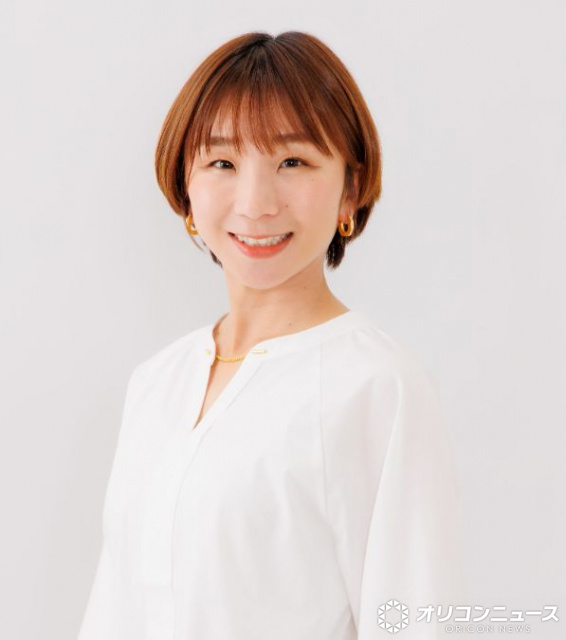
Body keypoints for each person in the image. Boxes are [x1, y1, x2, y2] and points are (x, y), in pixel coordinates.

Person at [77, 31, 463, 640]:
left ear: (351, 187)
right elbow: (116, 612)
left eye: (292, 162)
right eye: (222, 164)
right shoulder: (158, 382)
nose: (256, 204)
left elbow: (416, 620)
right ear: (185, 185)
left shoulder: (377, 387)